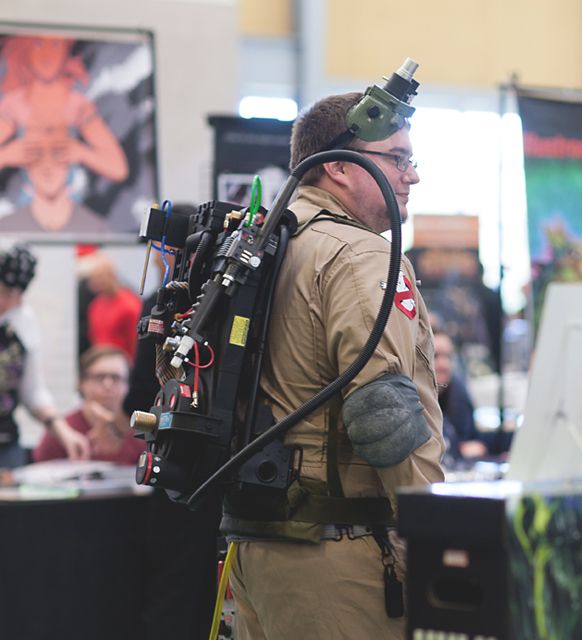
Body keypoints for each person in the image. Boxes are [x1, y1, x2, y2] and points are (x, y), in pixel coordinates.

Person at [222, 92, 444, 639]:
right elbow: (382, 412)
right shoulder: (360, 254)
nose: (412, 175)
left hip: (255, 548)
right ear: (339, 166)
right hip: (339, 557)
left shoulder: (264, 243)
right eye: (397, 158)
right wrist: (435, 529)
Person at [123, 220, 222, 640]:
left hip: (182, 467)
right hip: (208, 468)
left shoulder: (163, 304)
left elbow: (137, 394)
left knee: (180, 588)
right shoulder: (221, 301)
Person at [0, 35, 128, 232]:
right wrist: (7, 155)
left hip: (69, 212)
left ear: (65, 51)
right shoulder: (13, 105)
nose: (47, 55)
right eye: (38, 44)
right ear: (25, 50)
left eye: (55, 45)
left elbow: (118, 168)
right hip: (27, 213)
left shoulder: (77, 105)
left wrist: (81, 152)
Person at [0, 243, 90, 466]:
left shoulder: (22, 319)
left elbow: (32, 391)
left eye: (16, 294)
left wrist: (63, 431)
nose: (9, 302)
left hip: (6, 443)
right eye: (4, 292)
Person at [33, 345, 143, 464]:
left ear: (129, 384)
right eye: (99, 377)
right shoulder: (62, 431)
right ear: (81, 383)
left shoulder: (140, 431)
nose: (107, 384)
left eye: (116, 377)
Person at [433, 328, 487, 463]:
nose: (444, 365)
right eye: (434, 356)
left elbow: (474, 444)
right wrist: (459, 450)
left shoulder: (458, 393)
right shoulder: (411, 401)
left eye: (448, 357)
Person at [83, 251, 141, 361]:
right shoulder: (95, 305)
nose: (96, 282)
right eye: (93, 278)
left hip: (123, 364)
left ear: (112, 275)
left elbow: (136, 344)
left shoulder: (130, 305)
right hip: (101, 362)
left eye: (100, 277)